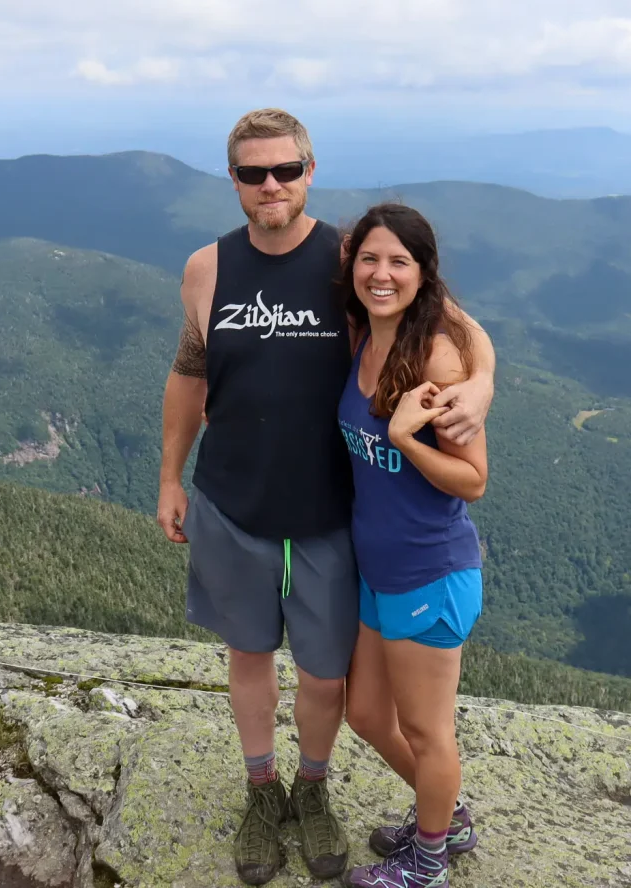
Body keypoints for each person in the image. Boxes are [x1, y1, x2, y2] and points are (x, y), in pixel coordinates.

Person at [156, 109, 496, 886]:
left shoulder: (346, 263)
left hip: (328, 513)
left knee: (323, 674)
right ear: (235, 180)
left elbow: (451, 319)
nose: (270, 185)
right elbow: (188, 373)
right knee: (247, 656)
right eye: (252, 172)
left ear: (311, 172)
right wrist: (171, 477)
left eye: (285, 170)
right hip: (231, 500)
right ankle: (260, 790)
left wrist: (479, 384)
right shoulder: (205, 269)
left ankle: (313, 790)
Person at [339, 204, 488, 888]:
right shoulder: (363, 337)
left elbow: (473, 478)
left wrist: (404, 438)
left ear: (424, 275)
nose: (381, 273)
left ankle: (427, 866)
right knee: (367, 714)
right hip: (378, 571)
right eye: (370, 258)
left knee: (429, 733)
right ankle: (444, 817)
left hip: (429, 573)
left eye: (400, 262)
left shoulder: (437, 357)